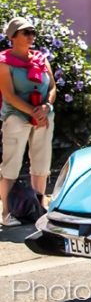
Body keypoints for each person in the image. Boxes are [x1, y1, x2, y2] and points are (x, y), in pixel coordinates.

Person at [0, 18, 56, 226]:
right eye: (25, 32)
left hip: (43, 117)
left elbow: (52, 87)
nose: (31, 36)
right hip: (16, 116)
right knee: (11, 164)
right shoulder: (4, 63)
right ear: (12, 37)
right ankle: (7, 212)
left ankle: (38, 208)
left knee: (41, 163)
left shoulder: (41, 59)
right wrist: (33, 112)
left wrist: (46, 108)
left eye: (32, 32)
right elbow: (8, 94)